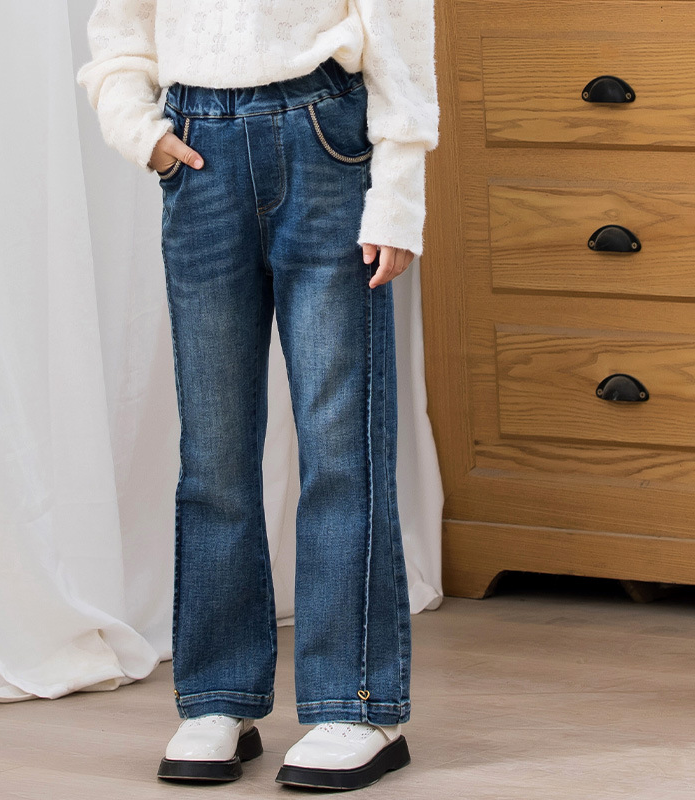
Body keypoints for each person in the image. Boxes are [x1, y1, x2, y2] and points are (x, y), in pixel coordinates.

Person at [76, 0, 439, 791]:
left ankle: (356, 705)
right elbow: (121, 28)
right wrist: (139, 129)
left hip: (326, 138)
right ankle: (219, 697)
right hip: (199, 146)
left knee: (341, 445)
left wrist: (398, 195)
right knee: (214, 453)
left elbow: (401, 28)